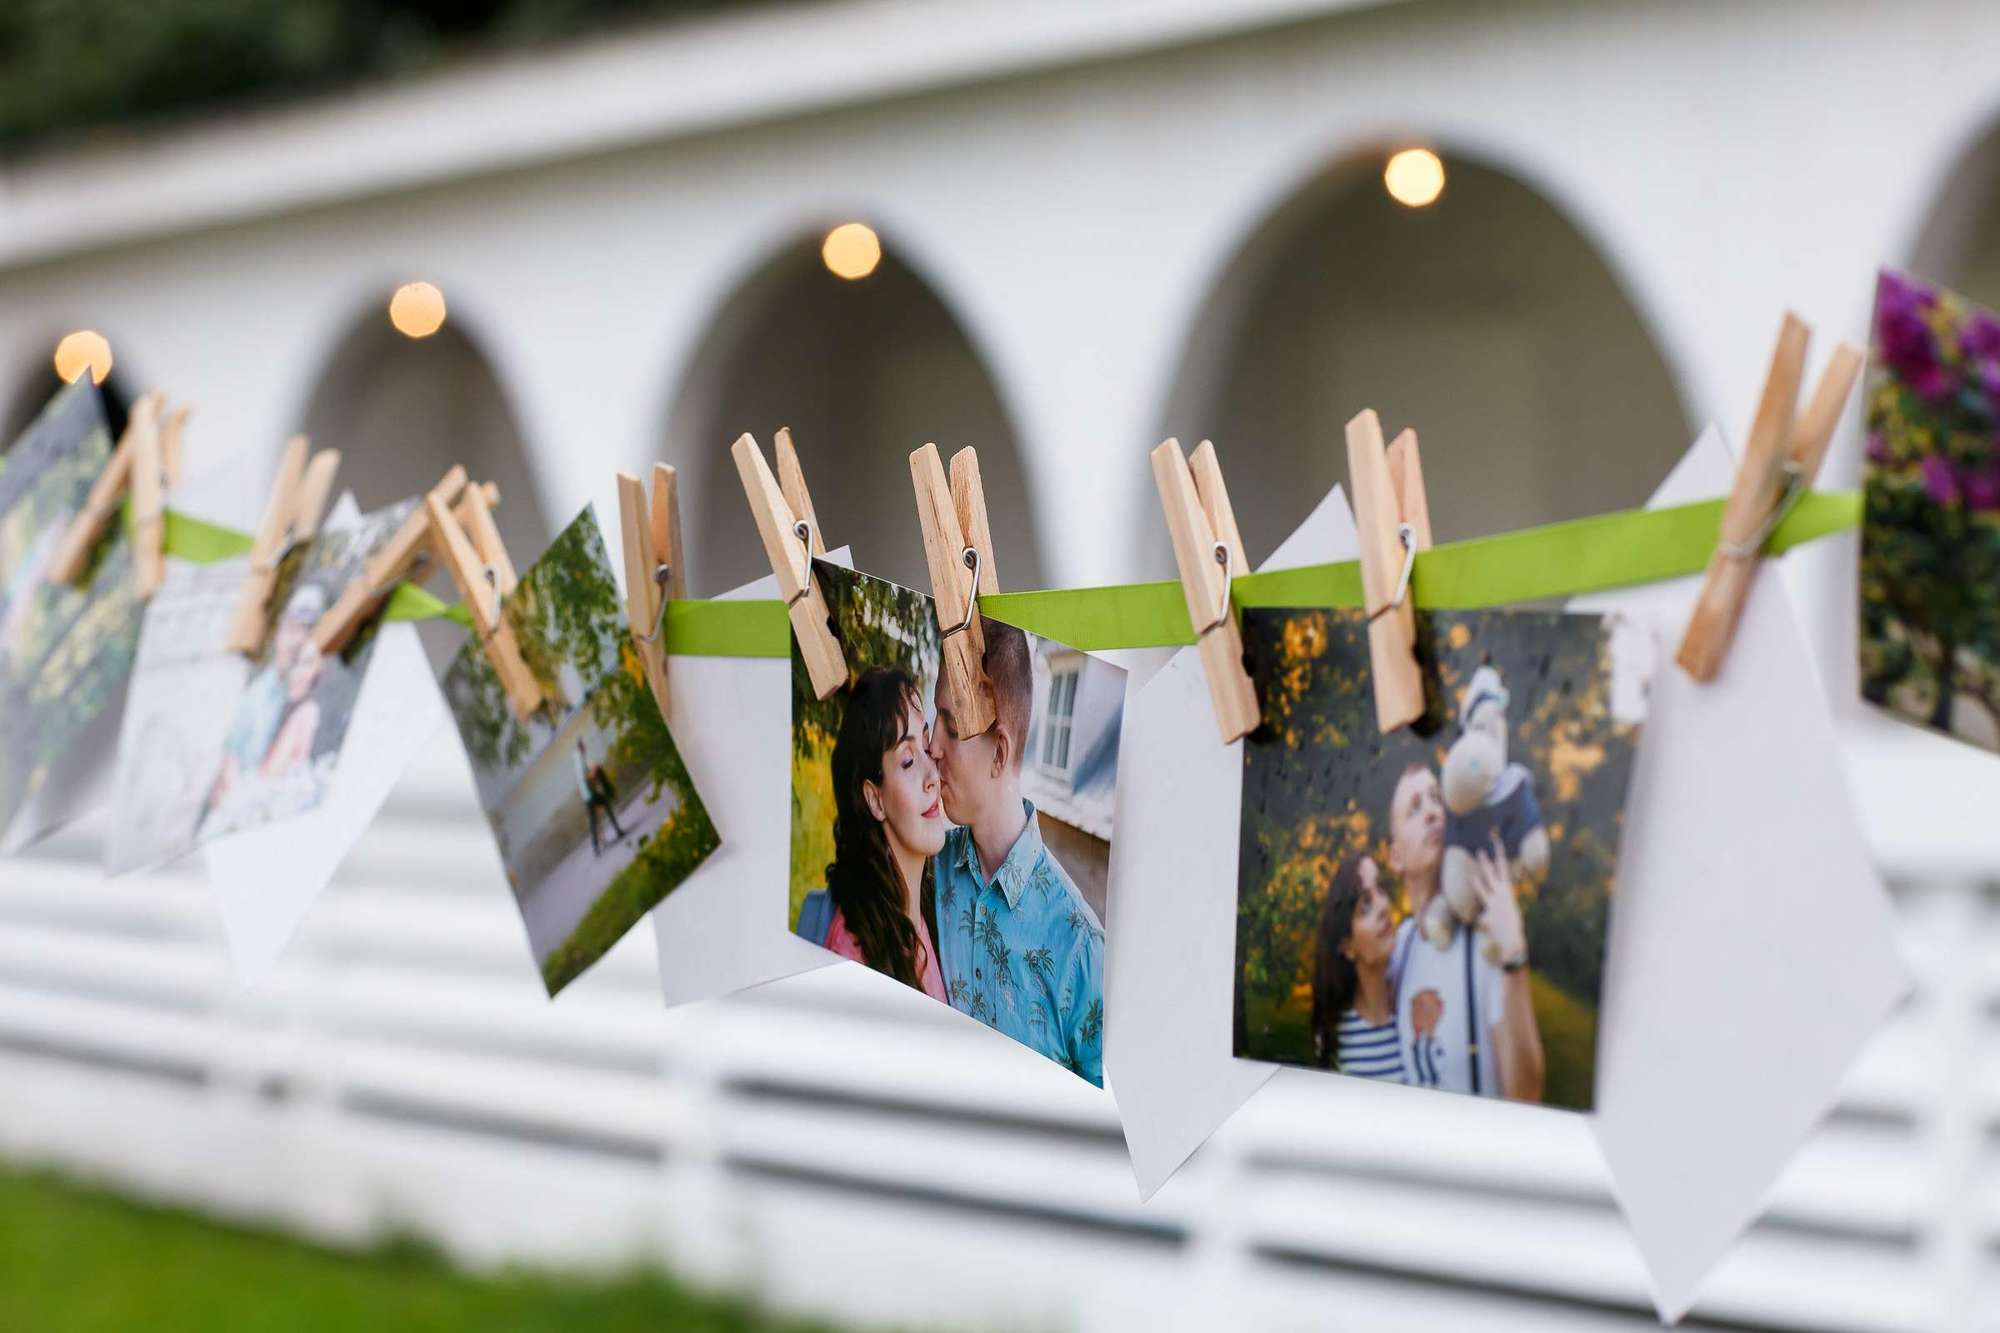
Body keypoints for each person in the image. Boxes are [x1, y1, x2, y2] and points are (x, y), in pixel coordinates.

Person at [928, 619, 1105, 1087]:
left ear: (999, 753)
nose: (931, 747)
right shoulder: (929, 872)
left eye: (949, 727)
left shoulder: (1083, 953)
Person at [1383, 761, 1545, 1102]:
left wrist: (1513, 954)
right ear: (1395, 857)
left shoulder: (1486, 938)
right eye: (1414, 808)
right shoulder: (1401, 944)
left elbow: (1526, 1095)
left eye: (1435, 799)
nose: (1431, 812)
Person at [796, 667, 948, 1001]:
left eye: (925, 746)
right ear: (875, 799)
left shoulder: (932, 917)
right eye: (908, 760)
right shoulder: (851, 958)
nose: (932, 777)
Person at [203, 582, 323, 820]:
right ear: (279, 631)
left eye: (305, 631)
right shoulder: (257, 695)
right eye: (291, 628)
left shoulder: (307, 704)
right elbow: (231, 758)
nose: (295, 641)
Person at [1308, 853, 1404, 1081]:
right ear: (1348, 947)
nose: (1383, 906)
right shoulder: (1335, 1039)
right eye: (1365, 907)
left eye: (1381, 889)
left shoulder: (1415, 1004)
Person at [575, 738, 627, 855]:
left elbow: (585, 778)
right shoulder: (580, 761)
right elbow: (587, 777)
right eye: (583, 746)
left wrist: (593, 769)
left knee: (593, 821)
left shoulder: (579, 761)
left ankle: (596, 848)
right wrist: (595, 769)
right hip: (591, 795)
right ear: (581, 748)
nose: (585, 748)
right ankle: (617, 830)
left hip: (588, 796)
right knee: (606, 805)